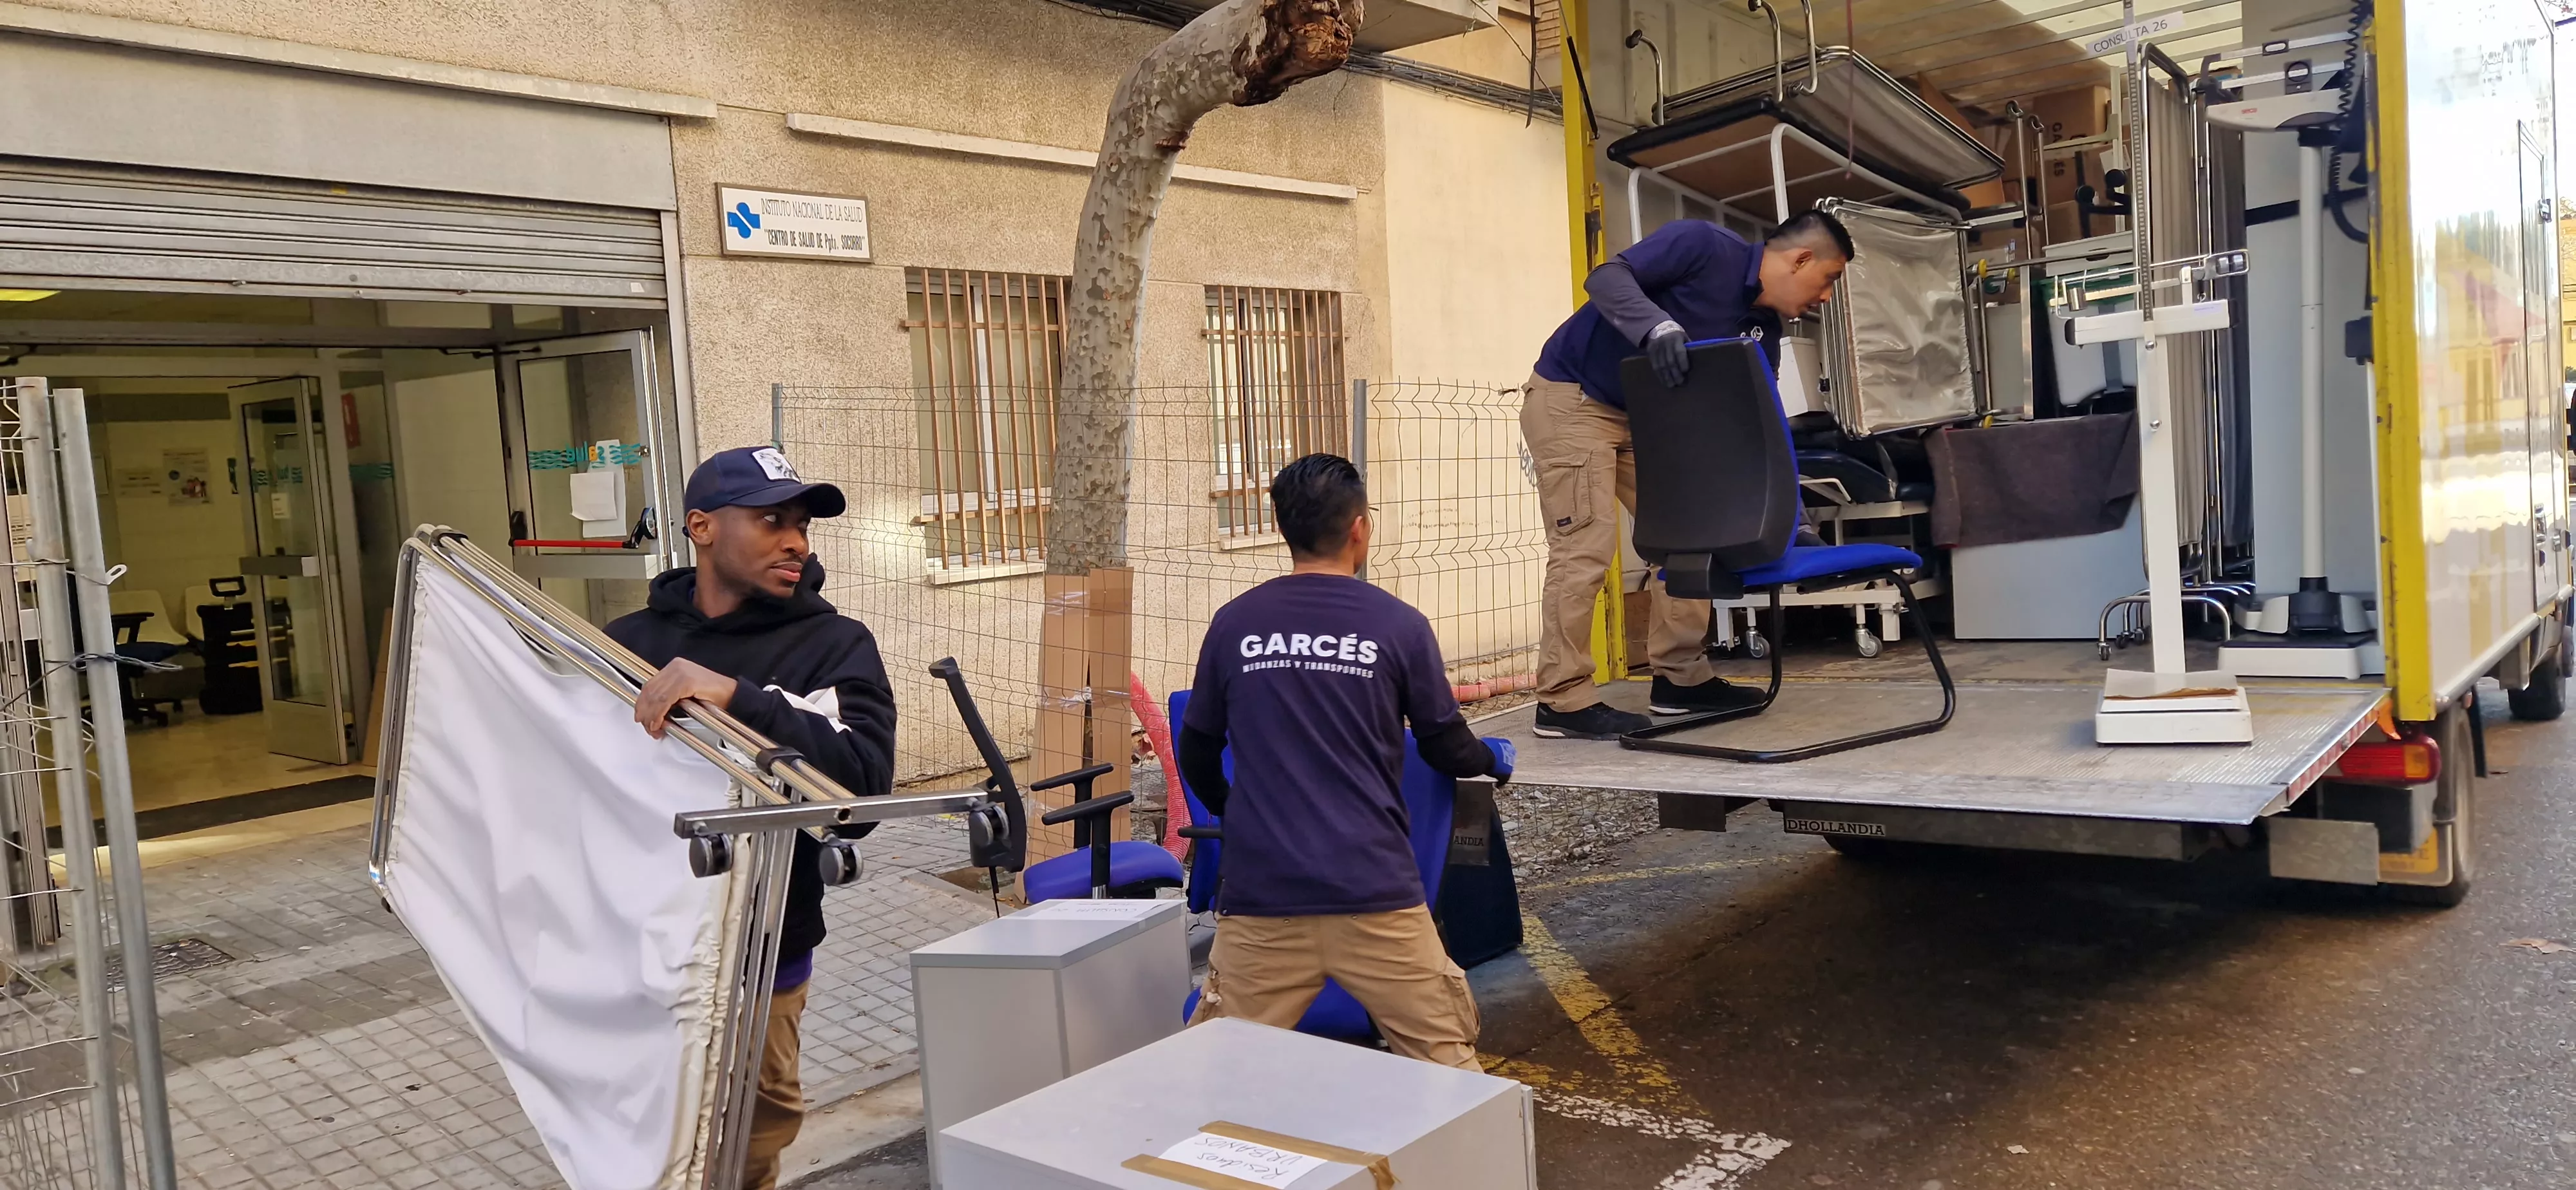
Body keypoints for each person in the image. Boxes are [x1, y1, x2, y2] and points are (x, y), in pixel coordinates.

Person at [605, 445, 895, 1190]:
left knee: (744, 1151)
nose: (796, 540)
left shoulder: (834, 644)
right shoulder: (628, 642)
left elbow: (858, 792)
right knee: (637, 1139)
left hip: (761, 959)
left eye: (801, 524)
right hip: (638, 947)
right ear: (702, 527)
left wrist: (737, 696)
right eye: (772, 521)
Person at [1177, 453, 1513, 1070]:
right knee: (1450, 1066)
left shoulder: (1235, 624)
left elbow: (1196, 747)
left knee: (1216, 1072)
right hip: (1376, 894)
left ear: (1281, 526)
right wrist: (1492, 760)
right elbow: (1443, 743)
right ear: (1360, 528)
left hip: (1263, 897)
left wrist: (1235, 813)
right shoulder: (1399, 626)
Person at [1522, 209, 1856, 740]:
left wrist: (1795, 522)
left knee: (1691, 535)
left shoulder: (1761, 330)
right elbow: (1606, 278)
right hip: (1575, 398)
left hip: (1649, 418)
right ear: (1801, 258)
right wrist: (1657, 327)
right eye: (1830, 279)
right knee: (1585, 543)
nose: (1827, 297)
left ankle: (1680, 680)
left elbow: (1753, 427)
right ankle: (1561, 699)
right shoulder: (1703, 245)